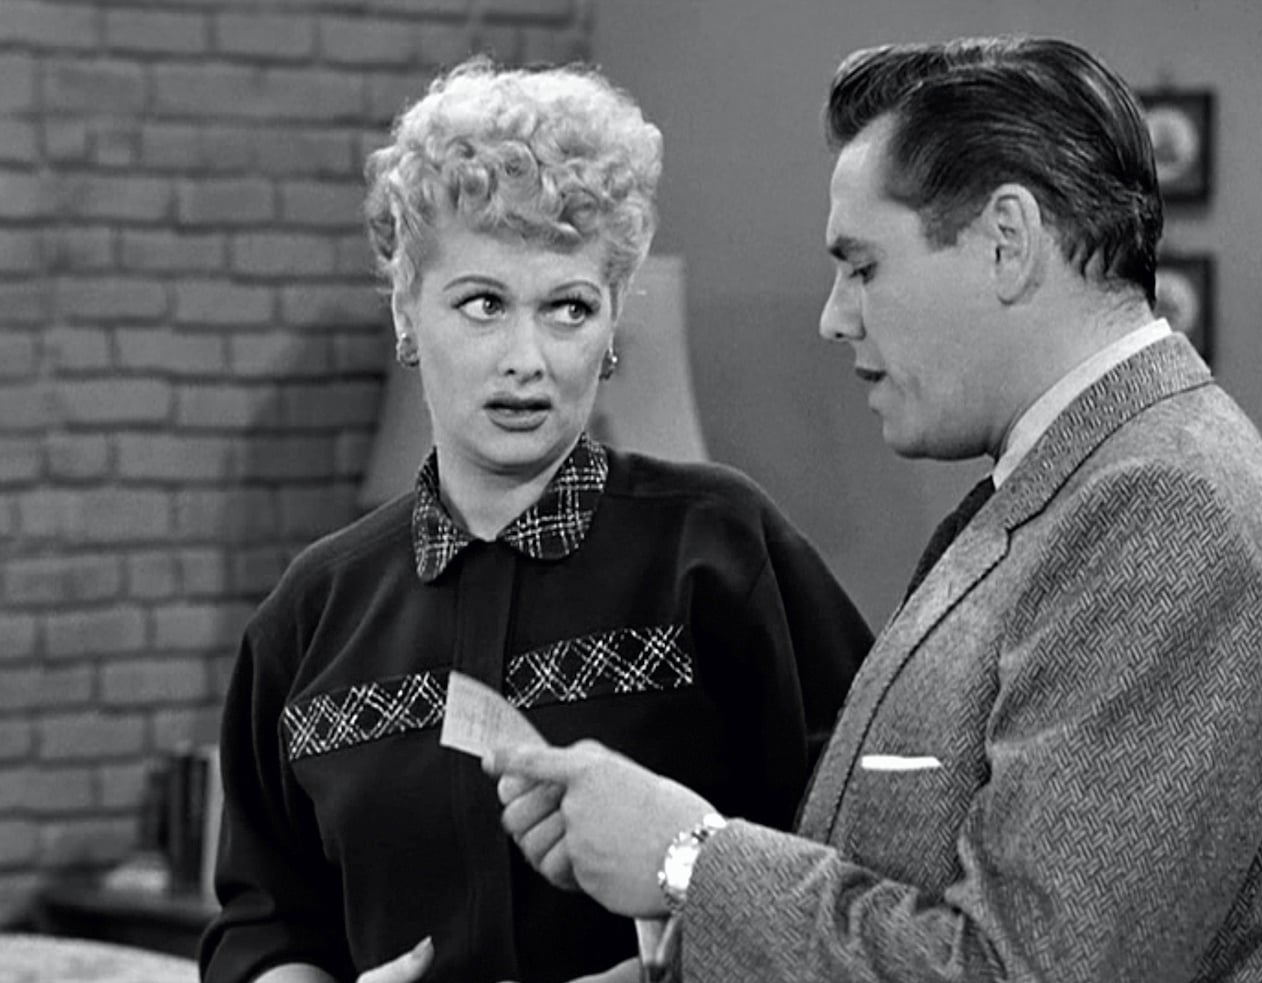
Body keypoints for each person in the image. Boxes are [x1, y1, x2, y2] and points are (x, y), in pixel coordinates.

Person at [491, 35, 1262, 982]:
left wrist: (690, 861)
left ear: (1007, 242)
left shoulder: (1164, 514)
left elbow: (1014, 970)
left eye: (864, 266)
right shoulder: (1068, 486)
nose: (835, 316)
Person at [196, 56, 873, 983]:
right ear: (406, 309)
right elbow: (261, 920)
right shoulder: (311, 614)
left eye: (568, 308)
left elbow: (858, 865)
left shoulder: (718, 548)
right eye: (483, 304)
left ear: (613, 322)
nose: (527, 359)